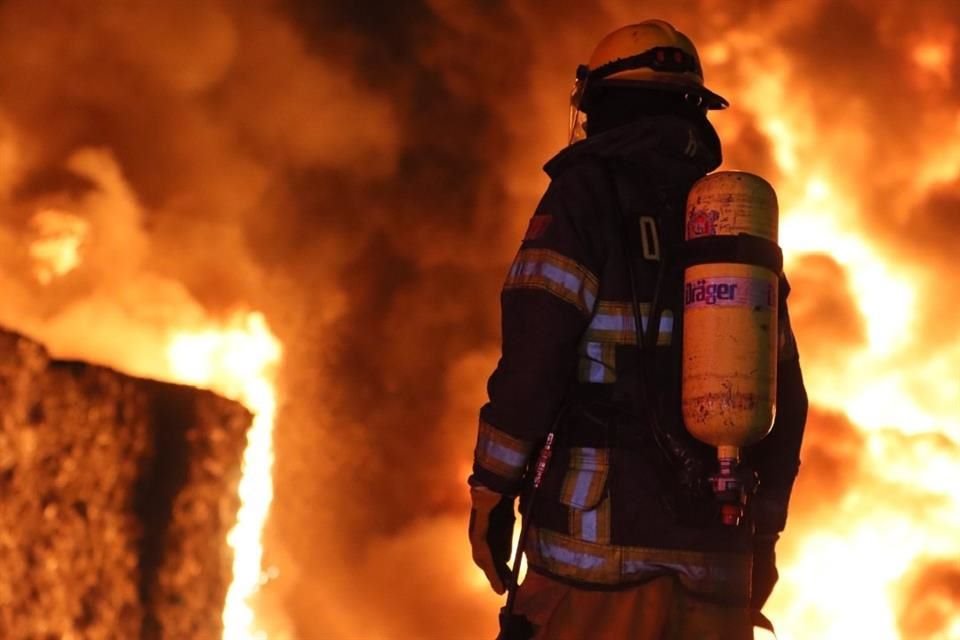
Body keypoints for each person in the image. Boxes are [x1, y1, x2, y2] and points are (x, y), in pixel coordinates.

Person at [467, 19, 808, 640]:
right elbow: (787, 401)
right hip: (717, 563)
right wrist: (763, 535)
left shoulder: (583, 198)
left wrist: (490, 489)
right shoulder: (731, 223)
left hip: (594, 566)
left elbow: (532, 367)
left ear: (597, 105)